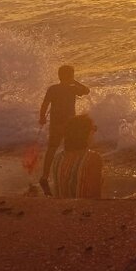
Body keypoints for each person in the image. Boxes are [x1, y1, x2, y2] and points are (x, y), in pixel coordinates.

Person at [38, 64, 89, 196]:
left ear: (59, 76)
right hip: (69, 125)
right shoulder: (73, 89)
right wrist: (74, 81)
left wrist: (42, 117)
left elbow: (44, 104)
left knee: (52, 148)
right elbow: (86, 90)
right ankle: (67, 174)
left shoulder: (53, 89)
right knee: (70, 149)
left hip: (55, 123)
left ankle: (44, 176)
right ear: (71, 76)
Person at [51, 113, 103, 199]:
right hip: (82, 210)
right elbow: (95, 197)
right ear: (86, 133)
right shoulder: (93, 159)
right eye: (93, 129)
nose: (94, 133)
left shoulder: (58, 158)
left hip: (62, 209)